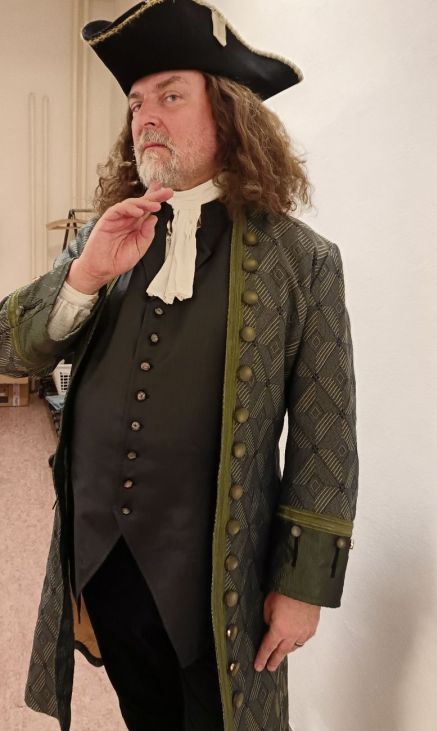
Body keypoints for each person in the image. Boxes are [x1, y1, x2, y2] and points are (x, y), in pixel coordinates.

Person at [0, 1, 359, 730]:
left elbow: (326, 434)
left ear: (228, 112)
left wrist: (303, 584)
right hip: (102, 559)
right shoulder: (108, 237)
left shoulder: (302, 261)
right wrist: (84, 277)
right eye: (136, 103)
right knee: (144, 709)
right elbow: (11, 350)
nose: (146, 118)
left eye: (170, 95)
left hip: (217, 577)